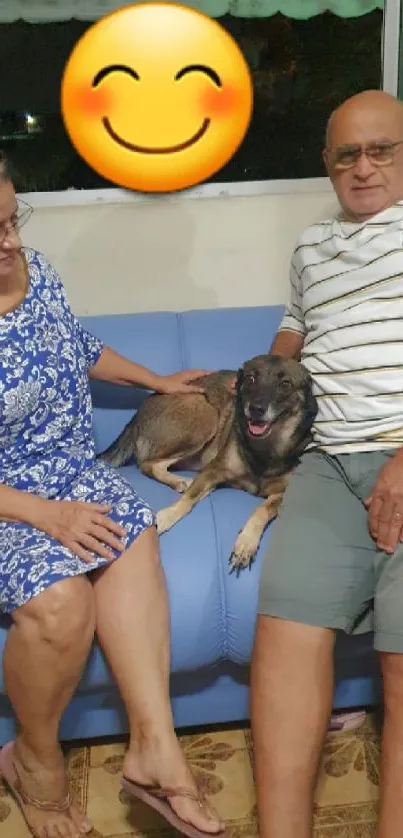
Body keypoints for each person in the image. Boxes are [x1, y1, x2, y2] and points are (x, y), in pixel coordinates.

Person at [0, 150, 226, 838]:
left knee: (134, 533)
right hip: (9, 496)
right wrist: (43, 514)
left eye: (11, 220)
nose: (9, 243)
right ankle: (33, 764)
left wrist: (159, 383)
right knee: (61, 604)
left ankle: (155, 750)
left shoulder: (35, 270)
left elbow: (74, 344)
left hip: (66, 468)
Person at [251, 89, 403, 838]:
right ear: (326, 164)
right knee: (282, 635)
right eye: (348, 153)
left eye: (382, 150)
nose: (364, 167)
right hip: (325, 460)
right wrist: (255, 388)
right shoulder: (311, 246)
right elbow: (294, 327)